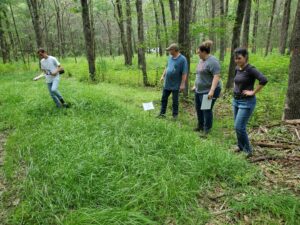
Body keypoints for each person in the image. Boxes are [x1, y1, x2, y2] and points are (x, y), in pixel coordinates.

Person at [232, 48, 268, 157]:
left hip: (246, 102)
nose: (237, 60)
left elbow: (263, 80)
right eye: (235, 58)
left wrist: (253, 92)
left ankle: (248, 151)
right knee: (237, 126)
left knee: (239, 126)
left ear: (245, 57)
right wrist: (235, 89)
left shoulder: (251, 69)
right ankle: (240, 146)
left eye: (239, 58)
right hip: (236, 100)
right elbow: (236, 81)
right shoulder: (237, 68)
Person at [192, 40, 222, 135]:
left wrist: (212, 91)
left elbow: (216, 76)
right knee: (198, 108)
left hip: (209, 90)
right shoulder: (201, 60)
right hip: (199, 90)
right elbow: (198, 74)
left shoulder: (213, 61)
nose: (198, 54)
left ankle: (206, 130)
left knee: (206, 109)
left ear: (204, 52)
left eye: (199, 53)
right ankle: (200, 126)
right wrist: (195, 85)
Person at [158, 43, 188, 119]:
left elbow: (184, 73)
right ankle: (162, 113)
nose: (169, 51)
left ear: (174, 50)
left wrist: (182, 84)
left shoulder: (182, 59)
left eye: (170, 50)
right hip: (167, 83)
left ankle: (175, 116)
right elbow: (167, 67)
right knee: (164, 98)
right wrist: (163, 76)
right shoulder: (170, 57)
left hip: (176, 84)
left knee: (175, 101)